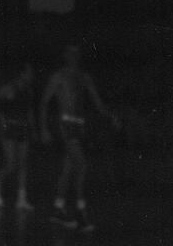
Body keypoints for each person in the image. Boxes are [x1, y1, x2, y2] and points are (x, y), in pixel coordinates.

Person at [39, 42, 119, 233]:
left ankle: (58, 209)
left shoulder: (84, 77)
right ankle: (81, 213)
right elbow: (43, 102)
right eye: (70, 52)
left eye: (76, 52)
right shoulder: (58, 76)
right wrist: (43, 129)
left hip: (78, 127)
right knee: (81, 165)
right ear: (65, 55)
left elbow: (98, 103)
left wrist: (112, 116)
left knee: (68, 170)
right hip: (64, 126)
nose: (73, 55)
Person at [0, 62, 35, 211]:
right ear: (22, 73)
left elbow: (29, 110)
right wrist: (2, 117)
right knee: (11, 164)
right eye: (29, 72)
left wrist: (34, 129)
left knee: (23, 163)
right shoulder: (10, 87)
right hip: (10, 127)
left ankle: (21, 199)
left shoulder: (28, 90)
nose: (31, 75)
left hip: (24, 127)